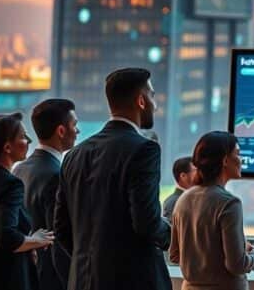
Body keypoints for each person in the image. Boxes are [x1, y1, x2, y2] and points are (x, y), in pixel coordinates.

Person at [54, 68, 171, 290]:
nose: (155, 105)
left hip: (81, 280)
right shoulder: (144, 149)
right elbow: (146, 222)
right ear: (141, 101)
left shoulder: (74, 155)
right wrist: (173, 236)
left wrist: (93, 259)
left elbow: (61, 229)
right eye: (152, 96)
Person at [170, 131, 254, 290]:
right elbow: (237, 265)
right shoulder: (229, 203)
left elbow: (175, 254)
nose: (241, 160)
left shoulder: (183, 200)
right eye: (238, 154)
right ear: (225, 160)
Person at [13, 99, 79, 290]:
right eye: (74, 125)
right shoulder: (57, 175)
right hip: (51, 279)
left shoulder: (20, 169)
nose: (78, 131)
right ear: (61, 131)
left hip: (27, 273)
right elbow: (58, 237)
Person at [0, 112, 55, 290]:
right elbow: (7, 237)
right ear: (7, 147)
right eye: (23, 136)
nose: (29, 141)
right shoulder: (11, 185)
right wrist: (36, 240)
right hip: (7, 277)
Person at [162, 156, 196, 221]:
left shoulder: (199, 197)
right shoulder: (173, 202)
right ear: (183, 176)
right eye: (195, 170)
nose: (199, 174)